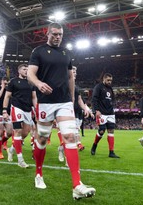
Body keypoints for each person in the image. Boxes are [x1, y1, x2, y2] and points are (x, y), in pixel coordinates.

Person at [27, 22, 95, 200]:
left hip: (64, 101)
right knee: (41, 140)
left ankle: (77, 185)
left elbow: (70, 76)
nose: (57, 37)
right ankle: (39, 173)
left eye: (60, 35)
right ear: (47, 33)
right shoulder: (38, 52)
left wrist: (72, 98)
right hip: (46, 102)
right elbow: (30, 74)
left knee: (70, 137)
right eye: (54, 34)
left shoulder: (66, 53)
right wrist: (39, 83)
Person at [3, 64, 36, 168]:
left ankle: (11, 149)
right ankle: (20, 160)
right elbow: (7, 96)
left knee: (25, 133)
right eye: (24, 69)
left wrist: (36, 109)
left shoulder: (31, 82)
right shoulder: (13, 81)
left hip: (28, 109)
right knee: (17, 131)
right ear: (19, 71)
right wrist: (4, 110)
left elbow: (34, 97)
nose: (26, 70)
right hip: (16, 107)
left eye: (27, 69)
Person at [90, 73, 120, 158]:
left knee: (111, 131)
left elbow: (113, 99)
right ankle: (94, 145)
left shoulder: (110, 89)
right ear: (104, 79)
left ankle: (111, 152)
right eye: (108, 80)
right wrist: (96, 110)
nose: (110, 82)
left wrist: (112, 106)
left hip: (110, 113)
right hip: (101, 112)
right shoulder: (98, 87)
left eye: (111, 80)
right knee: (101, 131)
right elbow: (94, 99)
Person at [0, 77, 13, 159]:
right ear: (2, 81)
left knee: (9, 132)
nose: (6, 83)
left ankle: (0, 143)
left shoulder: (10, 90)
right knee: (0, 132)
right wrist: (2, 88)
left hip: (8, 114)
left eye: (7, 82)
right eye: (5, 81)